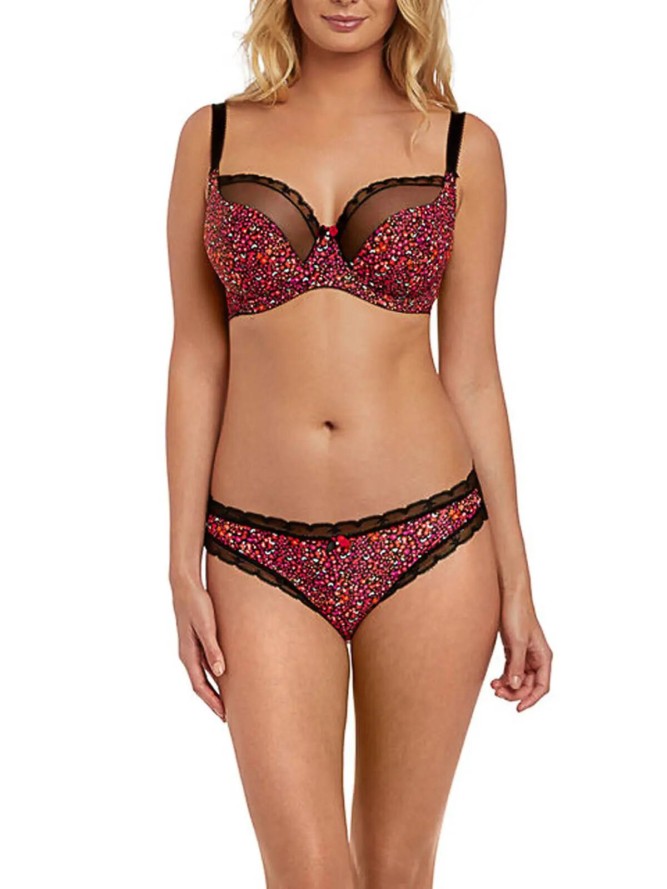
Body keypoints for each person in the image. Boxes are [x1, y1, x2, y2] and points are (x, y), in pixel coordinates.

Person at [166, 1, 553, 886]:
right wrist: (182, 560)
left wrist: (517, 580)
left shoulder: (462, 146)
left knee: (396, 869)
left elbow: (473, 374)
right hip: (257, 549)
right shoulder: (211, 136)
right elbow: (195, 354)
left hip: (433, 542)